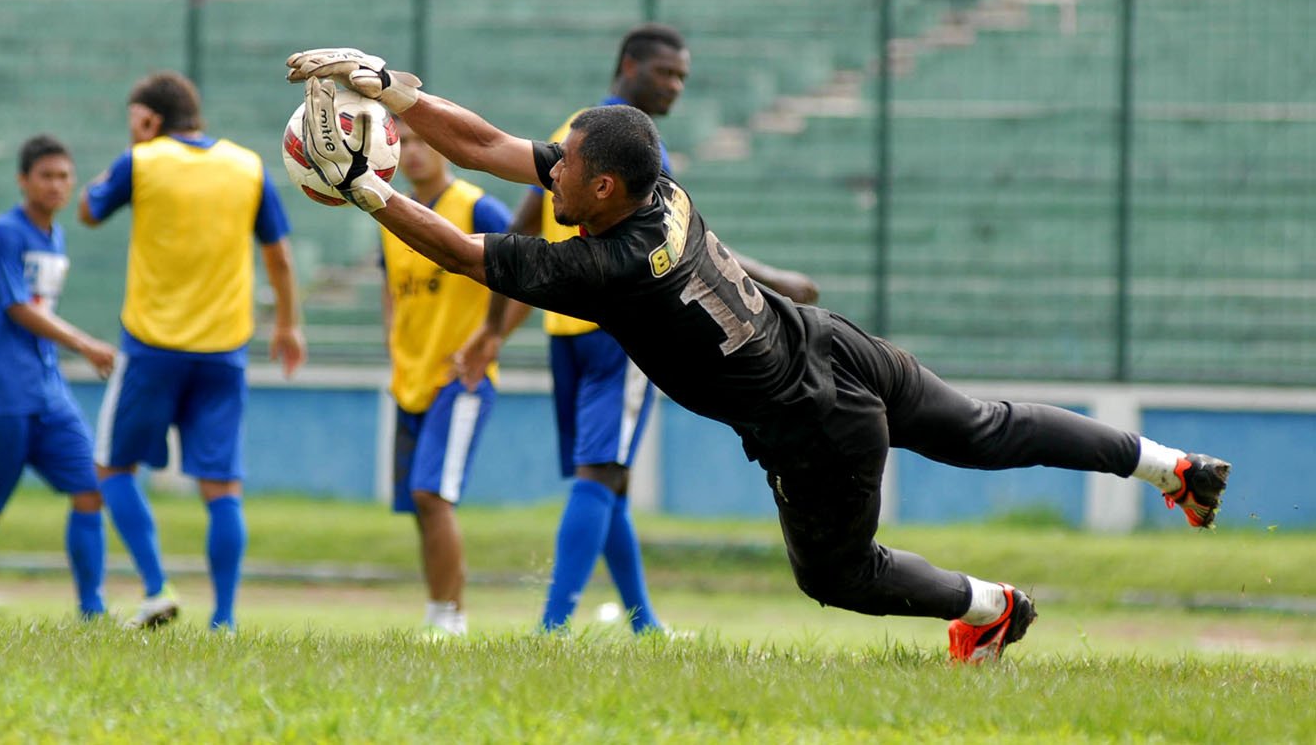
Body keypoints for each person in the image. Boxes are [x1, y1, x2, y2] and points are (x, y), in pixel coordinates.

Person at [285, 48, 1233, 662]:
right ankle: (1170, 466)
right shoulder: (649, 191)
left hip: (810, 422)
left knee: (837, 574)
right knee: (983, 425)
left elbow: (459, 249)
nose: (549, 170)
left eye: (564, 166)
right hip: (829, 347)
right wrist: (385, 84)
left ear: (601, 185)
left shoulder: (609, 265)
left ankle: (990, 604)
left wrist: (361, 188)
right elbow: (491, 142)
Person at [481, 23, 819, 634]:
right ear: (629, 64)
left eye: (684, 77)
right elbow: (685, 244)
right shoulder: (632, 144)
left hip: (569, 326)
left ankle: (644, 624)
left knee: (609, 476)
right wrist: (778, 284)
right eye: (666, 73)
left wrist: (495, 328)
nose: (676, 87)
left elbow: (529, 209)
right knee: (601, 474)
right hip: (621, 328)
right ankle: (551, 630)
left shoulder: (578, 129)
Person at [79, 71, 306, 631]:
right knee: (222, 484)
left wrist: (137, 144)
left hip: (153, 346)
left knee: (111, 467)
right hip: (224, 350)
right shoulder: (247, 167)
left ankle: (157, 588)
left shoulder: (145, 160)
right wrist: (288, 325)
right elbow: (279, 256)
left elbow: (87, 210)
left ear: (148, 118)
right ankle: (224, 622)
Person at [0, 134, 117, 622]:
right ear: (23, 181)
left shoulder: (55, 236)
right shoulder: (5, 232)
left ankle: (92, 612)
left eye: (64, 176)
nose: (57, 185)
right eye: (46, 176)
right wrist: (84, 343)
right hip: (4, 392)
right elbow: (18, 307)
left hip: (48, 392)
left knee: (90, 489)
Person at [380, 117, 512, 637]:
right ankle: (439, 607)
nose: (412, 152)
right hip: (409, 380)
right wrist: (394, 340)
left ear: (444, 150)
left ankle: (450, 619)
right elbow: (389, 289)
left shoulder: (478, 207)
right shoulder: (392, 215)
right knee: (419, 502)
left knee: (433, 496)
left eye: (421, 141)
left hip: (461, 381)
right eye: (402, 142)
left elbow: (516, 267)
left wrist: (489, 336)